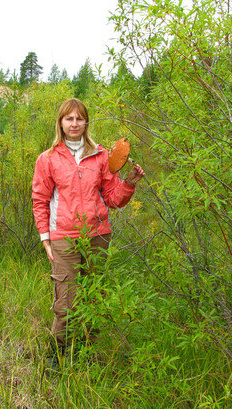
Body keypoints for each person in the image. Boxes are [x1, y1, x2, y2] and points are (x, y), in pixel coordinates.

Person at [32, 98, 145, 368]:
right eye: (69, 119)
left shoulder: (102, 156)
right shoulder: (48, 159)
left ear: (86, 122)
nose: (74, 124)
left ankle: (85, 354)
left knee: (95, 297)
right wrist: (45, 238)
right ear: (60, 122)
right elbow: (40, 199)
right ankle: (56, 357)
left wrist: (128, 183)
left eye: (79, 118)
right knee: (66, 302)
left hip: (97, 236)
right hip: (64, 238)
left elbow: (114, 199)